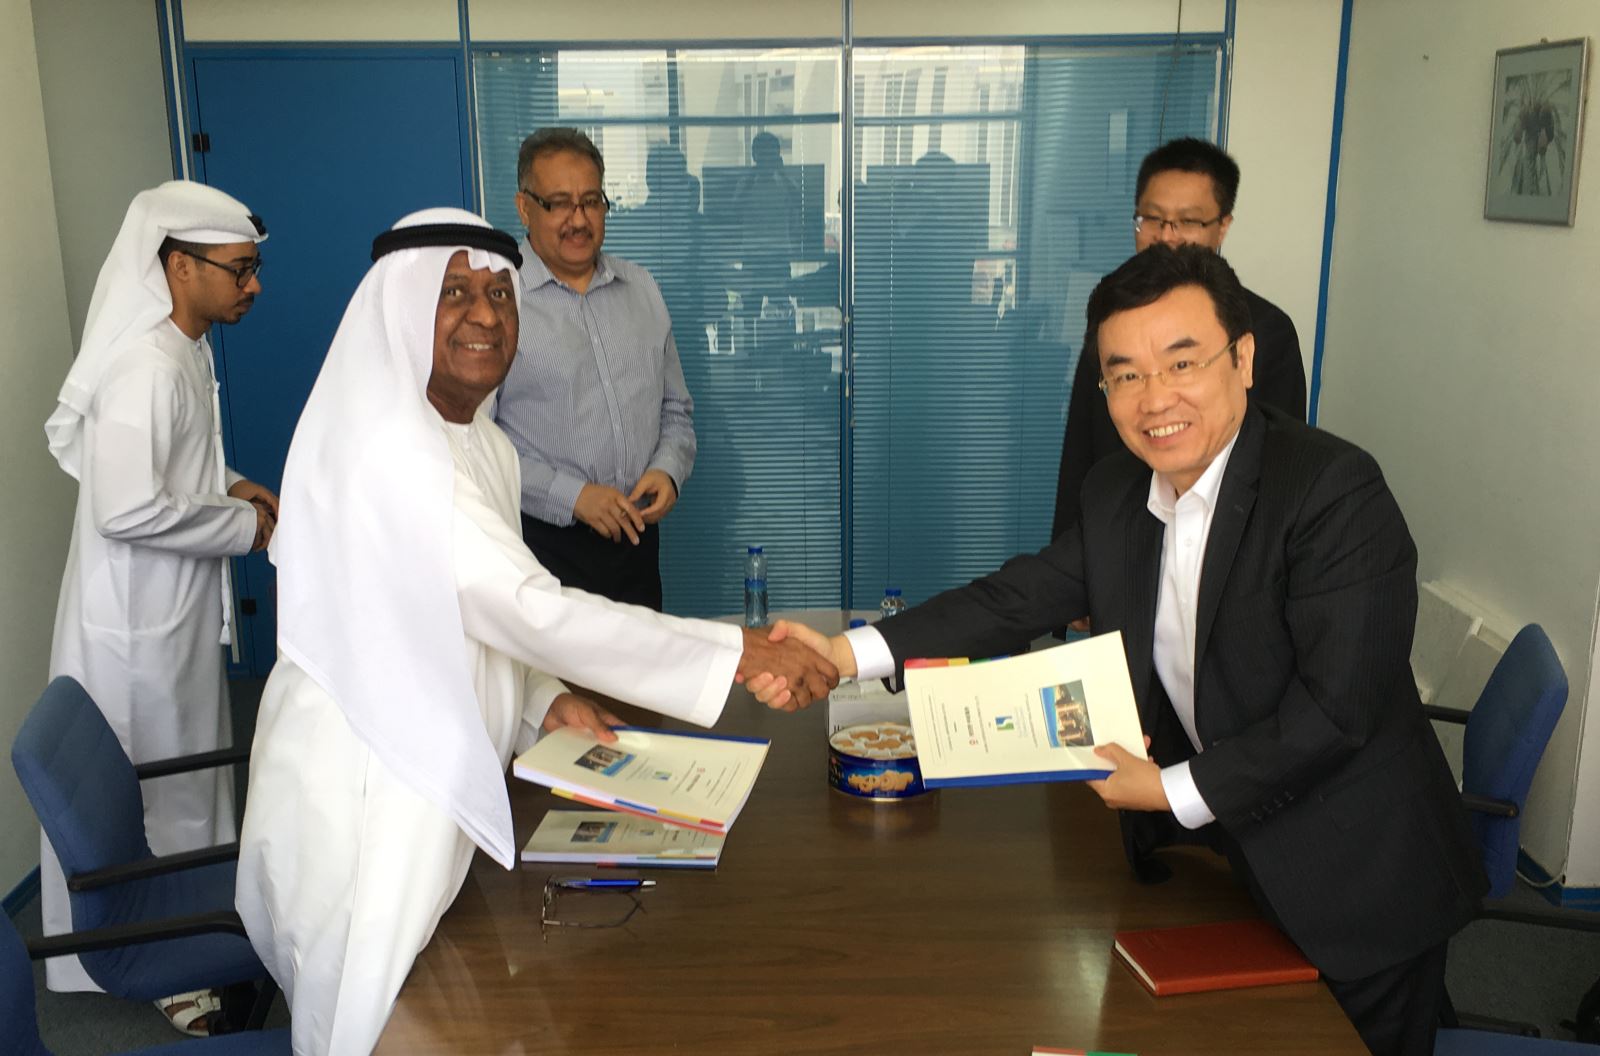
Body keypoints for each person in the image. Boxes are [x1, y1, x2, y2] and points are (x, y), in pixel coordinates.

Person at [764, 245, 1485, 1056]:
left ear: (1244, 359)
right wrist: (844, 654)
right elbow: (1018, 597)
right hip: (1233, 868)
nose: (1156, 398)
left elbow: (1334, 714)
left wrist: (1166, 790)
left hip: (1362, 877)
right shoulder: (1118, 491)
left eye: (1182, 363)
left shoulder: (1331, 492)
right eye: (1126, 375)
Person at [235, 209, 835, 1056]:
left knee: (443, 1004)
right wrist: (739, 650)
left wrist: (544, 701)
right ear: (402, 309)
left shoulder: (479, 442)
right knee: (371, 1022)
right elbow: (527, 606)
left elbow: (476, 616)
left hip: (433, 773)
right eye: (453, 294)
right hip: (369, 788)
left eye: (499, 295)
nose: (484, 315)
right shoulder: (389, 448)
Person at [41, 180, 276, 1028]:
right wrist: (243, 526)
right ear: (180, 267)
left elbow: (179, 465)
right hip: (133, 630)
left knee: (191, 775)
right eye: (239, 270)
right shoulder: (143, 365)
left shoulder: (186, 347)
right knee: (150, 795)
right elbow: (127, 508)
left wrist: (233, 484)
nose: (253, 286)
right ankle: (168, 969)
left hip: (171, 613)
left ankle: (202, 932)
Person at [1052, 137, 1307, 541]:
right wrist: (1071, 551)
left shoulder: (1266, 330)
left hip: (1223, 543)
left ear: (1223, 225)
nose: (1167, 237)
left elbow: (1279, 464)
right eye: (1152, 219)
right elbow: (1082, 450)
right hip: (1116, 536)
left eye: (1188, 222)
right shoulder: (1109, 318)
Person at [495, 127, 690, 610]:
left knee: (643, 660)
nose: (578, 220)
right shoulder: (499, 301)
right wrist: (573, 496)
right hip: (544, 547)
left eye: (591, 201)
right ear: (524, 208)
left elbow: (676, 410)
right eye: (559, 203)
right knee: (557, 665)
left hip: (637, 542)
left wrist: (667, 471)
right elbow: (479, 446)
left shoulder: (641, 288)